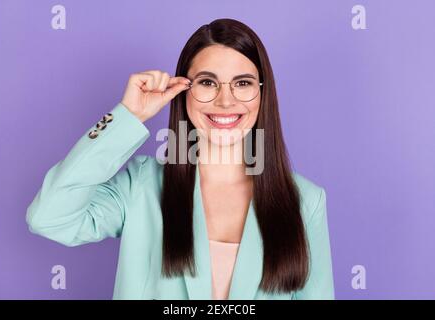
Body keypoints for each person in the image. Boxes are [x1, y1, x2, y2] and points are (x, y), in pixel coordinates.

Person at [26, 18, 334, 300]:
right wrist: (127, 117)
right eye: (207, 82)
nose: (225, 101)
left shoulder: (305, 201)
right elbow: (49, 218)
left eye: (242, 83)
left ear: (262, 92)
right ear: (183, 90)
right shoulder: (141, 186)